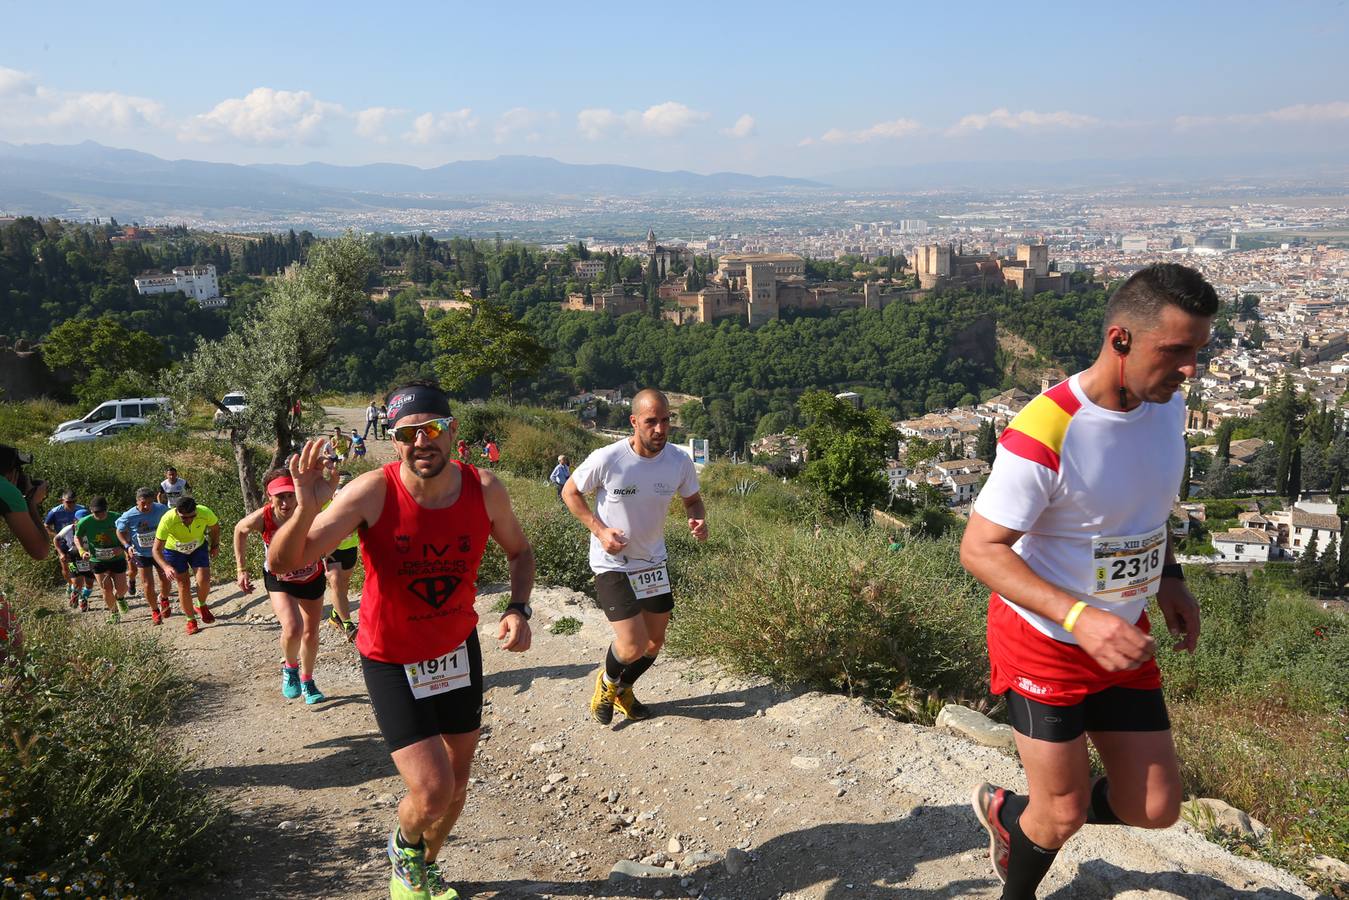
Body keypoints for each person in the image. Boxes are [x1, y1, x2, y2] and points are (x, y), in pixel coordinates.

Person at [959, 263, 1214, 900]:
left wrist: (1170, 578)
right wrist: (1080, 618)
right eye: (1176, 351)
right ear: (1120, 339)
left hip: (1119, 636)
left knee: (1155, 808)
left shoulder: (1167, 408)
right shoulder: (1045, 430)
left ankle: (1010, 815)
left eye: (1198, 352)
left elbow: (1145, 509)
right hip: (1044, 640)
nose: (1190, 370)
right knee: (1063, 812)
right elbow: (980, 550)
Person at [267, 381, 535, 900]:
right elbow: (284, 563)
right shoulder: (373, 491)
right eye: (407, 434)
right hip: (390, 656)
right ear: (394, 441)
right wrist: (304, 508)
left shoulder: (485, 489)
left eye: (432, 429)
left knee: (457, 784)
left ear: (453, 431)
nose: (421, 442)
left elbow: (520, 552)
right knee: (432, 790)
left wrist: (517, 608)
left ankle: (422, 865)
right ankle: (403, 846)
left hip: (456, 649)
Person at [562, 388, 706, 726]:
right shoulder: (608, 458)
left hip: (652, 562)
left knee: (654, 642)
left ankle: (623, 689)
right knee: (631, 645)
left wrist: (698, 519)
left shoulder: (679, 461)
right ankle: (607, 684)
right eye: (651, 421)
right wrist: (600, 531)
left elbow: (693, 500)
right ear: (634, 422)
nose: (660, 429)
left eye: (666, 421)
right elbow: (570, 491)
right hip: (612, 563)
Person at [233, 469, 329, 704]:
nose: (285, 503)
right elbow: (240, 530)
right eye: (280, 497)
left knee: (310, 633)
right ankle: (290, 668)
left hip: (312, 577)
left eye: (289, 495)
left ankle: (308, 681)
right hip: (280, 580)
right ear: (270, 497)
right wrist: (241, 569)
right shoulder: (263, 517)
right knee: (293, 628)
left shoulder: (309, 511)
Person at [153, 496, 221, 635]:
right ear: (177, 512)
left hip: (198, 547)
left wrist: (215, 545)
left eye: (192, 516)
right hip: (174, 551)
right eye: (184, 518)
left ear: (196, 511)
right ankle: (191, 620)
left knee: (204, 580)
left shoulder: (204, 512)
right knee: (183, 584)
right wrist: (166, 567)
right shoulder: (168, 519)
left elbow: (215, 528)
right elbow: (156, 550)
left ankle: (200, 605)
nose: (189, 520)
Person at [117, 489, 171, 625]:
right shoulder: (129, 515)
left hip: (160, 551)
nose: (147, 506)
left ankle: (164, 598)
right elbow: (119, 531)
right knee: (147, 583)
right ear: (137, 501)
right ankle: (155, 610)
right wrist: (126, 546)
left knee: (165, 579)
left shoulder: (161, 509)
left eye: (150, 503)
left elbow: (172, 520)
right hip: (141, 553)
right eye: (143, 503)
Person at [73, 496, 130, 624]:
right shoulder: (85, 522)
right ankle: (114, 613)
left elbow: (127, 532)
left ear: (107, 509)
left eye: (102, 511)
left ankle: (120, 598)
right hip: (97, 560)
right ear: (91, 511)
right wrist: (81, 550)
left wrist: (122, 547)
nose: (99, 514)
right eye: (96, 512)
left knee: (122, 588)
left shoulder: (117, 517)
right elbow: (77, 537)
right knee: (106, 589)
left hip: (117, 558)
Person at [324, 470, 360, 642]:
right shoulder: (323, 504)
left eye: (346, 488)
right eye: (339, 488)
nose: (342, 492)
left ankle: (335, 614)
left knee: (343, 585)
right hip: (330, 552)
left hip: (350, 549)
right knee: (336, 582)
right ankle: (348, 624)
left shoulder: (357, 505)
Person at [0, 444, 49, 560]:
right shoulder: (6, 491)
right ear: (11, 471)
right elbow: (40, 551)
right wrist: (31, 503)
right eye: (19, 470)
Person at [45, 490, 88, 598]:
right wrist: (57, 535)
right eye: (68, 502)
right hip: (63, 543)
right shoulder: (55, 511)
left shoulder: (81, 509)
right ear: (62, 501)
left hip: (79, 543)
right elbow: (46, 526)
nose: (71, 504)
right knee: (66, 567)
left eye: (73, 501)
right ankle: (70, 584)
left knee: (81, 568)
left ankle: (78, 588)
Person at [54, 512, 95, 610]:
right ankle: (77, 594)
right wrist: (61, 553)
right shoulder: (69, 529)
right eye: (80, 521)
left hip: (88, 556)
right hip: (72, 556)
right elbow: (56, 539)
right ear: (75, 521)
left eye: (85, 521)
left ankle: (82, 597)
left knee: (89, 583)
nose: (83, 523)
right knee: (76, 582)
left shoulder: (93, 527)